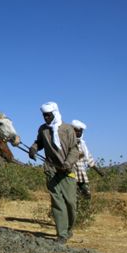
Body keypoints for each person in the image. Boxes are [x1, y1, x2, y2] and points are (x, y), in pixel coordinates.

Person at [29, 102, 79, 244]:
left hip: (67, 172)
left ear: (55, 113)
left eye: (48, 115)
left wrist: (68, 163)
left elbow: (74, 150)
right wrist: (33, 149)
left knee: (70, 203)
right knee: (57, 203)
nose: (45, 118)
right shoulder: (43, 129)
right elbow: (39, 143)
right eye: (44, 115)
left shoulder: (68, 129)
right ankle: (62, 234)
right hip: (51, 171)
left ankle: (69, 229)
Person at [70, 119, 99, 200]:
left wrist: (98, 171)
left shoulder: (83, 144)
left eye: (80, 131)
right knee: (73, 194)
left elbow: (89, 158)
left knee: (86, 193)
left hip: (81, 173)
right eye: (76, 131)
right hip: (71, 172)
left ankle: (85, 210)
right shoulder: (68, 143)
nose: (78, 133)